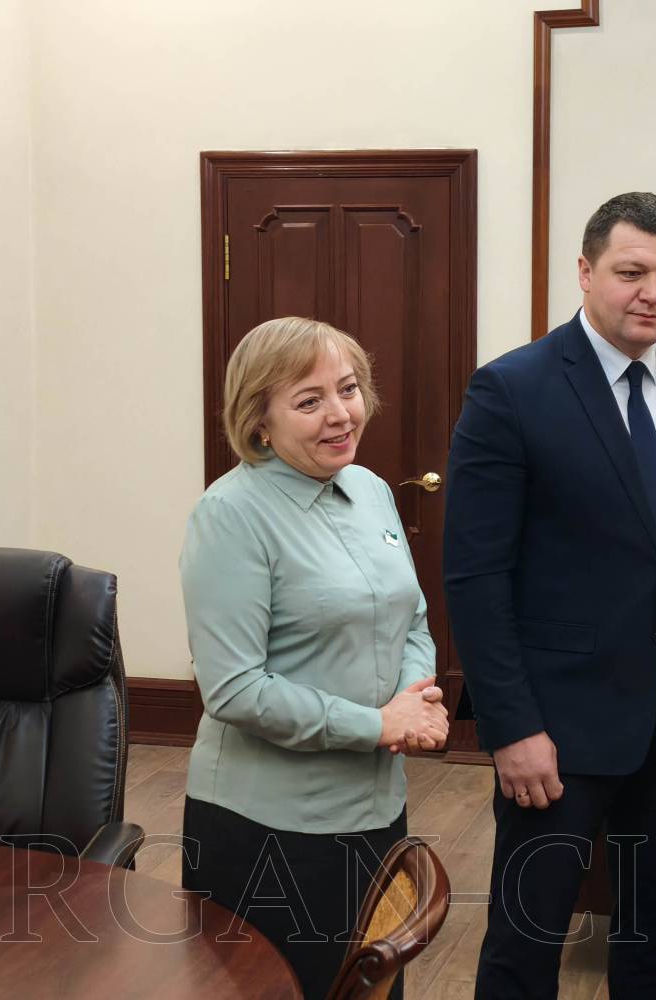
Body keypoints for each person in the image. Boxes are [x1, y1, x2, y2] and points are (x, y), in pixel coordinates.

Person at [443, 192, 656, 998]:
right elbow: (475, 576)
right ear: (586, 271)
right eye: (631, 272)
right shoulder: (512, 389)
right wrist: (510, 726)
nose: (652, 293)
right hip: (556, 727)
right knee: (526, 947)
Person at [179, 316, 449, 999]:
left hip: (377, 807)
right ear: (259, 422)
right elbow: (234, 689)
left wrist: (415, 701)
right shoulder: (230, 514)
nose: (340, 414)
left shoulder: (373, 491)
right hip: (269, 827)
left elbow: (412, 617)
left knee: (369, 989)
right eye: (309, 400)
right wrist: (378, 724)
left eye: (348, 389)